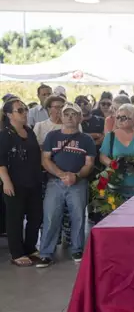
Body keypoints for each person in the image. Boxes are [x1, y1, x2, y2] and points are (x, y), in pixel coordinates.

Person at [38, 102, 96, 267]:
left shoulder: (86, 139)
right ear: (61, 117)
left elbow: (89, 163)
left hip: (78, 183)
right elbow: (45, 159)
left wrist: (76, 176)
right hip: (55, 182)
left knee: (78, 216)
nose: (70, 117)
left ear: (80, 117)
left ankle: (77, 249)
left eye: (74, 114)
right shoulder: (52, 136)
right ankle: (46, 253)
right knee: (50, 216)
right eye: (66, 114)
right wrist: (61, 174)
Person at [0, 98, 43, 267]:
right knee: (15, 218)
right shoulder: (4, 135)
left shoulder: (29, 131)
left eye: (25, 109)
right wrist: (6, 182)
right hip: (15, 182)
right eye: (20, 110)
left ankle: (30, 247)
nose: (25, 113)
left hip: (33, 180)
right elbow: (1, 161)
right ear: (9, 114)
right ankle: (16, 252)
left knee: (35, 216)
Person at [100, 104, 134, 199]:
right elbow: (102, 157)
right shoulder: (110, 136)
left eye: (123, 117)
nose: (119, 120)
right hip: (115, 184)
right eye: (118, 117)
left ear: (133, 120)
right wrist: (113, 164)